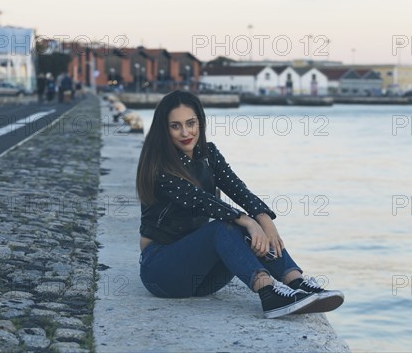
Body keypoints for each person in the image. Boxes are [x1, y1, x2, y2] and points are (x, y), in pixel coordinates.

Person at [136, 91, 344, 318]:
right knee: (226, 225)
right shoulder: (160, 167)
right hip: (162, 272)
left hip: (203, 279)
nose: (185, 132)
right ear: (163, 130)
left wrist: (264, 219)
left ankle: (296, 282)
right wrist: (248, 221)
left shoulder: (208, 154)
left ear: (200, 122)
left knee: (236, 224)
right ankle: (268, 293)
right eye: (175, 126)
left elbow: (238, 189)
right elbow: (201, 200)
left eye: (191, 123)